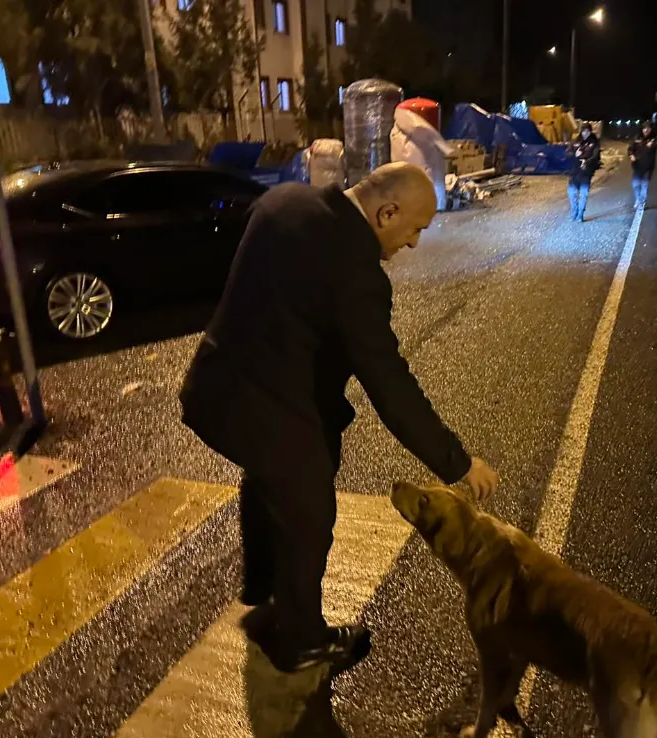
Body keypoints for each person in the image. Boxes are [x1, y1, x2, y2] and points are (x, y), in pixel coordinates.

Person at [179, 162, 499, 676]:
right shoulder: (357, 273)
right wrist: (457, 463)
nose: (414, 243)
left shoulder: (283, 202)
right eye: (415, 228)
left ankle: (263, 586)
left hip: (214, 389)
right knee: (309, 514)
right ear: (385, 211)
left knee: (269, 484)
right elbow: (389, 384)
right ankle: (302, 639)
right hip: (269, 407)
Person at [567, 122, 601, 222]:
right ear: (581, 131)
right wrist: (574, 154)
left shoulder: (594, 143)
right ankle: (574, 214)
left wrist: (586, 161)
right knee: (572, 194)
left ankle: (580, 215)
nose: (585, 133)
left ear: (590, 132)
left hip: (586, 173)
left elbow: (596, 156)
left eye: (587, 131)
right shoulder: (575, 141)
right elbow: (567, 153)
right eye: (584, 131)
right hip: (574, 172)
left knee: (583, 194)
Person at [628, 120, 657, 209]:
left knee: (644, 185)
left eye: (648, 128)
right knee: (635, 185)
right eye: (644, 128)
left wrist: (653, 144)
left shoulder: (654, 138)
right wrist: (631, 155)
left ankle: (642, 202)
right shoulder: (637, 137)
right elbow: (630, 148)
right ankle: (638, 199)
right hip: (637, 166)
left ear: (651, 130)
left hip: (648, 166)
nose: (646, 130)